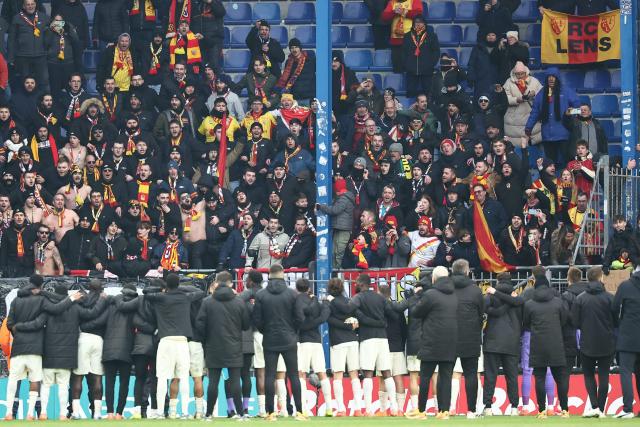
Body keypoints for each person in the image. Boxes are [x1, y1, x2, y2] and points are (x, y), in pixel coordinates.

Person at [144, 273, 205, 419]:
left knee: (162, 377)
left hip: (165, 341)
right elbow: (201, 292)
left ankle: (159, 412)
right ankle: (184, 412)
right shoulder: (185, 297)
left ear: (166, 285)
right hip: (182, 341)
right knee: (183, 377)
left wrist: (164, 289)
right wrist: (183, 288)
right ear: (178, 284)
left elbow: (146, 291)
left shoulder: (161, 297)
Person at [251, 264, 307, 421]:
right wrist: (292, 332)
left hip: (269, 339)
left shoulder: (261, 295)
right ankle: (300, 412)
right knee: (293, 375)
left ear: (269, 275)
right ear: (282, 275)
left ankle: (270, 413)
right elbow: (300, 318)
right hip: (289, 339)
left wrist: (266, 331)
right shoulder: (293, 294)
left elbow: (257, 319)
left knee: (269, 375)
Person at [196, 271, 250, 420]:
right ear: (231, 284)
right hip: (234, 346)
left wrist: (206, 340)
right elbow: (246, 325)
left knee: (213, 381)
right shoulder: (239, 302)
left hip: (213, 346)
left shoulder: (207, 302)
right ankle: (241, 414)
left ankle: (208, 415)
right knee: (234, 381)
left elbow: (199, 325)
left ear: (216, 283)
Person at [409, 266, 457, 420]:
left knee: (425, 377)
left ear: (434, 279)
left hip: (431, 341)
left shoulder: (430, 294)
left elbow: (416, 313)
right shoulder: (455, 295)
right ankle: (444, 411)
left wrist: (417, 297)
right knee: (446, 378)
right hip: (450, 342)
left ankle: (421, 411)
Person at [350, 273, 400, 416]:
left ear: (361, 283)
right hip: (382, 338)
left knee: (368, 373)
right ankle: (395, 408)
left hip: (368, 338)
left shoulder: (358, 297)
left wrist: (361, 316)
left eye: (356, 282)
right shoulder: (380, 298)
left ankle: (368, 409)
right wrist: (381, 321)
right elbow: (393, 314)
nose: (355, 284)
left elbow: (350, 308)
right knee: (387, 372)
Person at [523, 276, 570, 418]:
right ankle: (565, 410)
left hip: (538, 344)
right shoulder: (558, 302)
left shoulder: (529, 304)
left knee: (539, 378)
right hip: (556, 343)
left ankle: (542, 411)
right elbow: (564, 320)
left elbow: (526, 323)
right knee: (561, 378)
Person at [571, 266, 615, 418]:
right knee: (604, 375)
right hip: (607, 342)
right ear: (600, 278)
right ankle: (601, 409)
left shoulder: (580, 298)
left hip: (587, 343)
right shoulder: (610, 298)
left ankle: (595, 406)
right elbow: (617, 320)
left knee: (588, 375)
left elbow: (574, 322)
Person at [483, 273, 523, 416]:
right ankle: (514, 407)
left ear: (498, 281)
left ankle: (487, 407)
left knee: (490, 376)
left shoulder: (491, 296)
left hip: (492, 341)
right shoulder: (516, 298)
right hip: (512, 342)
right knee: (512, 376)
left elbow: (481, 309)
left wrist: (491, 308)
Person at [524, 67, 580, 166]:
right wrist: (528, 128)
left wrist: (570, 113)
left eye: (553, 77)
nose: (551, 79)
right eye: (549, 77)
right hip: (547, 135)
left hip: (563, 134)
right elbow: (535, 112)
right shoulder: (541, 94)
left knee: (568, 163)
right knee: (550, 164)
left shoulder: (566, 91)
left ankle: (569, 181)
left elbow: (578, 107)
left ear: (557, 78)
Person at [450, 259, 484, 418]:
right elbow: (481, 314)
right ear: (467, 271)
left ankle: (445, 409)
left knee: (445, 373)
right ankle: (471, 410)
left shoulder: (446, 288)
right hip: (471, 337)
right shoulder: (475, 291)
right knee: (471, 374)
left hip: (448, 336)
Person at [326, 277, 363, 417]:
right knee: (354, 374)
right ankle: (358, 408)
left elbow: (329, 320)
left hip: (338, 341)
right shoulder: (348, 301)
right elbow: (354, 316)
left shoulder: (328, 302)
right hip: (352, 340)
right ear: (342, 288)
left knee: (338, 375)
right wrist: (350, 326)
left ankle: (341, 408)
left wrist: (344, 326)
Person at [295, 278, 332, 416]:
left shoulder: (297, 301)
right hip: (316, 341)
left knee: (301, 374)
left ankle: (303, 408)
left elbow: (300, 321)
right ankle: (329, 407)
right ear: (309, 288)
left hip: (303, 341)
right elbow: (323, 317)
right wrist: (325, 304)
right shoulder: (315, 301)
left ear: (297, 288)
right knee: (322, 373)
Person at [612, 269, 640, 418]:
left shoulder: (625, 286)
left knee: (626, 372)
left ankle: (628, 408)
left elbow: (615, 308)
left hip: (628, 336)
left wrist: (620, 325)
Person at [7, 0, 50, 90]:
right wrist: (11, 58)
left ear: (35, 5)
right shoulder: (17, 18)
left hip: (40, 56)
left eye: (32, 4)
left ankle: (42, 102)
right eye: (28, 4)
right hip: (23, 57)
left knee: (43, 81)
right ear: (24, 6)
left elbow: (53, 33)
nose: (30, 6)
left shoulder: (44, 17)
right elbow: (11, 40)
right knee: (25, 83)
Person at [317, 178, 355, 268]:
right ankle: (334, 268)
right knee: (334, 251)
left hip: (343, 229)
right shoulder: (345, 197)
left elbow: (335, 210)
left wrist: (321, 207)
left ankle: (337, 270)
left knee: (338, 252)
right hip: (340, 228)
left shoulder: (344, 199)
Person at [380, 0, 423, 73]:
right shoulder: (392, 2)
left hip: (412, 41)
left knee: (412, 70)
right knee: (397, 69)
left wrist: (404, 11)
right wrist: (394, 12)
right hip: (396, 41)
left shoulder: (414, 1)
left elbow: (418, 15)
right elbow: (384, 17)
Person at [402, 16, 439, 98]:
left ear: (424, 24)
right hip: (411, 71)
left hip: (427, 71)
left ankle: (428, 110)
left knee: (428, 94)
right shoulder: (407, 36)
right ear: (413, 24)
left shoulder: (431, 36)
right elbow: (403, 52)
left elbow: (436, 52)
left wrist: (430, 64)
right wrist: (407, 65)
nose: (418, 24)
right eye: (416, 22)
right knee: (410, 93)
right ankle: (411, 110)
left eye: (420, 22)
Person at [275, 38, 315, 103]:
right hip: (294, 97)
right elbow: (286, 79)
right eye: (292, 48)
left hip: (308, 97)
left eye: (296, 47)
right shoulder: (288, 62)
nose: (294, 50)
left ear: (300, 48)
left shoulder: (310, 60)